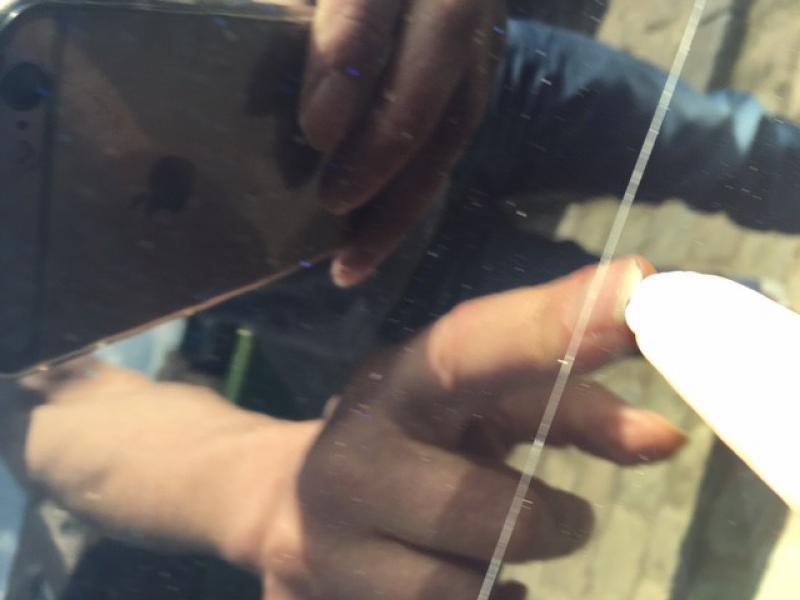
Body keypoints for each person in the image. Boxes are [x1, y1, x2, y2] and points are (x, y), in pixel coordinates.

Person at [5, 4, 800, 600]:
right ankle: (764, 302)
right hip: (372, 281)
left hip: (458, 74)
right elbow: (31, 408)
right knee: (640, 310)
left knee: (716, 145)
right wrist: (262, 493)